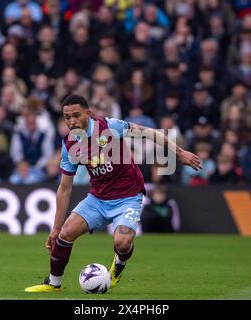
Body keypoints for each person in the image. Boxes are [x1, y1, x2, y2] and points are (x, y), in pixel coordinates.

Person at [25, 94, 201, 292]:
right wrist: (55, 228)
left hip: (128, 196)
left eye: (76, 115)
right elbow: (64, 188)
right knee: (65, 234)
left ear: (88, 113)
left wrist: (179, 153)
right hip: (97, 199)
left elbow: (148, 133)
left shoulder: (110, 126)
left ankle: (119, 263)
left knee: (122, 242)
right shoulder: (69, 145)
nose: (72, 121)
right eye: (67, 117)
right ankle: (53, 283)